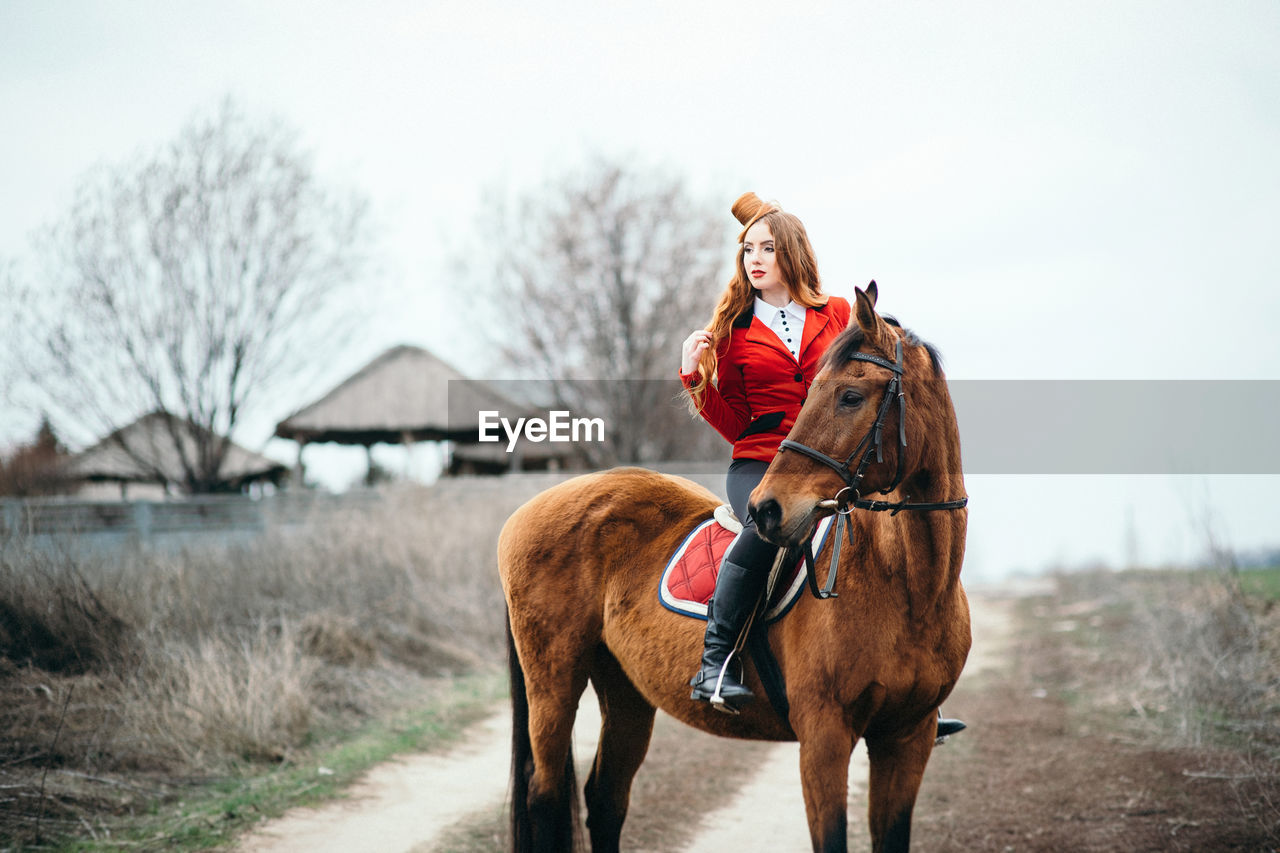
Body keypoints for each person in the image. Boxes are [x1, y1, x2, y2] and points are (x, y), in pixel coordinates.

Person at [679, 193, 966, 740]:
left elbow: (884, 361)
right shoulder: (733, 333)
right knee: (764, 536)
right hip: (764, 465)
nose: (754, 260)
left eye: (767, 248)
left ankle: (915, 694)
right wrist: (695, 378)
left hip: (838, 462)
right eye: (747, 252)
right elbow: (735, 422)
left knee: (909, 536)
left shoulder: (837, 313)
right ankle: (716, 664)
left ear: (792, 253)